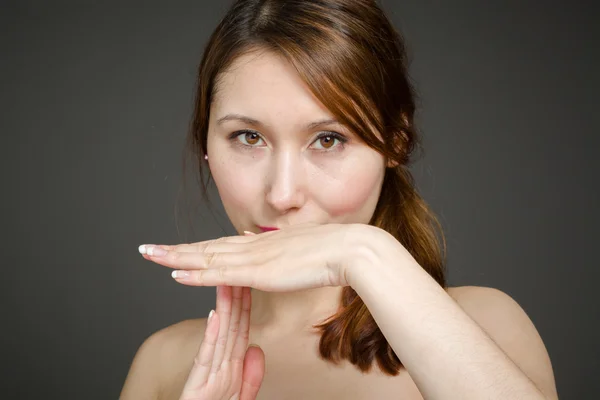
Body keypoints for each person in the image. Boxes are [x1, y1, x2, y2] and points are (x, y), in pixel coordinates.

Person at [120, 0, 558, 399]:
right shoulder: (165, 362)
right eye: (248, 137)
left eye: (328, 140)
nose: (284, 194)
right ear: (207, 146)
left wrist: (366, 253)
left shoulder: (486, 326)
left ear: (395, 143)